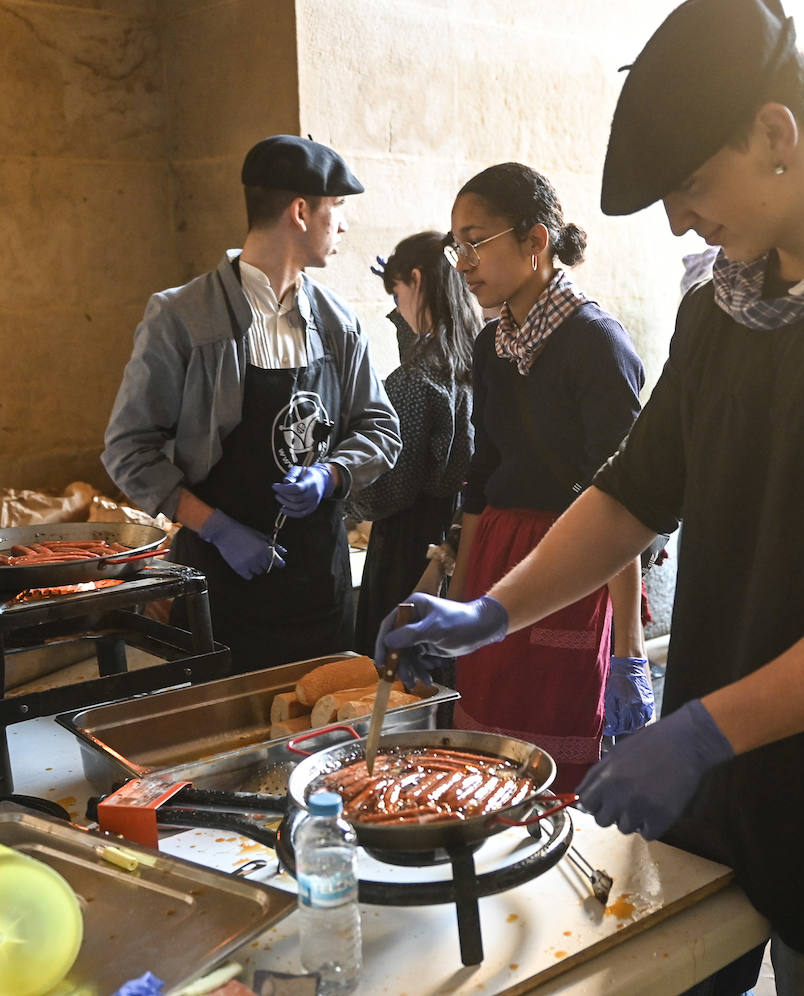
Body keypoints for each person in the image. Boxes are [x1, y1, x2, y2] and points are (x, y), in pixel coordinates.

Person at [376, 2, 804, 991]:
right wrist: (492, 610)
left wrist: (704, 729)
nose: (681, 220)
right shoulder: (723, 305)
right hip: (722, 780)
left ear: (776, 134)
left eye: (690, 185)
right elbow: (636, 489)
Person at [103, 135, 401, 671]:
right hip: (222, 586)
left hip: (319, 586)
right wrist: (217, 528)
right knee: (232, 737)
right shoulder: (183, 317)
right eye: (338, 210)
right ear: (302, 211)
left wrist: (330, 476)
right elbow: (129, 451)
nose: (344, 226)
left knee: (321, 736)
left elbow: (381, 428)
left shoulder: (338, 323)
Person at [439, 161, 650, 791]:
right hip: (499, 563)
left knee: (554, 763)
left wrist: (628, 650)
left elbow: (622, 500)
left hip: (573, 568)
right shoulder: (491, 344)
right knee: (485, 760)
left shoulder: (596, 344)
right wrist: (460, 597)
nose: (464, 262)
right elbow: (482, 474)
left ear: (535, 240)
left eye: (476, 241)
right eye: (457, 247)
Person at [348, 232, 478, 656]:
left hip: (409, 543)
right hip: (459, 533)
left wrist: (343, 490)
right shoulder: (476, 360)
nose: (397, 305)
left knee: (396, 662)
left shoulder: (412, 381)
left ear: (417, 281)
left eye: (397, 291)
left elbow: (391, 489)